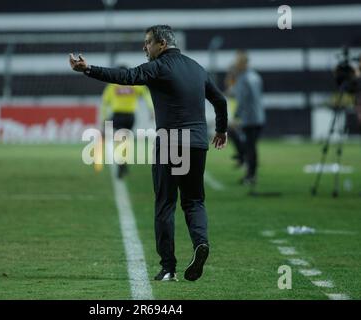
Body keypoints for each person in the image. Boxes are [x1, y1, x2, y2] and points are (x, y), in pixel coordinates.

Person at [69, 25, 227, 282]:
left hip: (170, 141)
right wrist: (221, 130)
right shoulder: (197, 68)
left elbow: (126, 77)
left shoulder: (159, 67)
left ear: (162, 44)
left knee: (165, 203)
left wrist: (88, 69)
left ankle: (168, 268)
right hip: (197, 143)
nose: (144, 47)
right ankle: (201, 243)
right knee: (194, 201)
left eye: (147, 43)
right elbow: (219, 100)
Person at [101, 73, 154, 178]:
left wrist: (104, 117)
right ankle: (123, 163)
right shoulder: (134, 84)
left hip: (118, 115)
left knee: (117, 138)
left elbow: (105, 102)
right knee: (125, 140)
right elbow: (147, 95)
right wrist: (151, 109)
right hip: (130, 116)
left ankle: (119, 162)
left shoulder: (113, 85)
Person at [231, 51, 265, 185]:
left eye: (237, 62)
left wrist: (236, 116)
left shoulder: (244, 78)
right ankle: (249, 172)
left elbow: (243, 99)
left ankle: (250, 174)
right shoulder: (255, 76)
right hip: (258, 116)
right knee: (251, 147)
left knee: (249, 147)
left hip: (249, 118)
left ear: (243, 63)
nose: (235, 64)